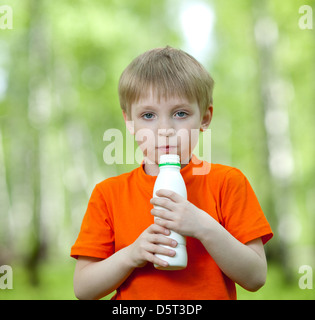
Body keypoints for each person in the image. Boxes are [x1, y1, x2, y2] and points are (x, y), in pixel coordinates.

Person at [70, 46, 273, 300]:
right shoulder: (109, 194)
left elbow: (255, 277)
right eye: (148, 115)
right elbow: (84, 289)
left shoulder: (228, 183)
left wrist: (203, 226)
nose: (164, 129)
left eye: (180, 113)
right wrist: (132, 254)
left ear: (205, 118)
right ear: (129, 122)